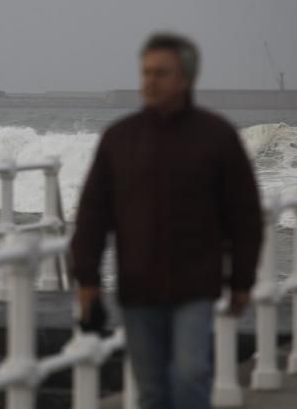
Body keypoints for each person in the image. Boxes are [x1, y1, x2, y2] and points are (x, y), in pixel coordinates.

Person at [70, 32, 263, 409]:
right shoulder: (120, 139)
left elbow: (245, 215)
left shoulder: (216, 136)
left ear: (186, 78)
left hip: (195, 286)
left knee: (191, 376)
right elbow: (92, 214)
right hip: (138, 288)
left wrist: (242, 281)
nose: (150, 81)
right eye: (145, 72)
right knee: (152, 390)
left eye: (161, 73)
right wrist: (87, 279)